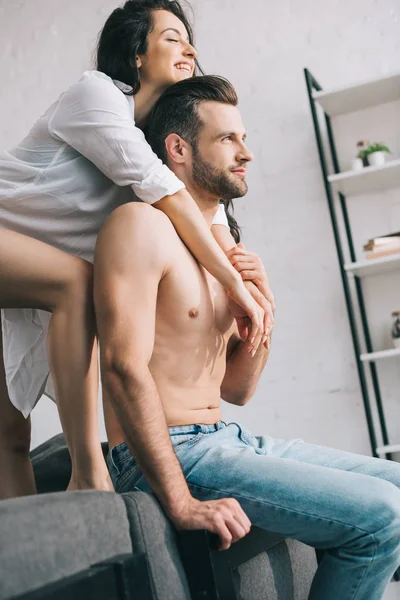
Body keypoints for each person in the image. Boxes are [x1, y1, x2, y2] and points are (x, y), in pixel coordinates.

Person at [95, 75, 400, 600]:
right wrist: (181, 501)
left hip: (227, 437)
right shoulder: (138, 225)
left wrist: (264, 311)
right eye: (229, 139)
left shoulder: (225, 251)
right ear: (179, 149)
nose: (247, 153)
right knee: (381, 517)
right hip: (170, 453)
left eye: (244, 138)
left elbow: (237, 389)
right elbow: (124, 366)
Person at [0, 0, 273, 499]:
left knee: (9, 436)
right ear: (136, 55)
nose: (188, 47)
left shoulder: (163, 145)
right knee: (74, 282)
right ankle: (91, 473)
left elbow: (207, 220)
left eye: (189, 38)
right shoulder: (96, 95)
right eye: (171, 37)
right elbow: (161, 189)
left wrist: (251, 284)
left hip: (21, 270)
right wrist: (233, 283)